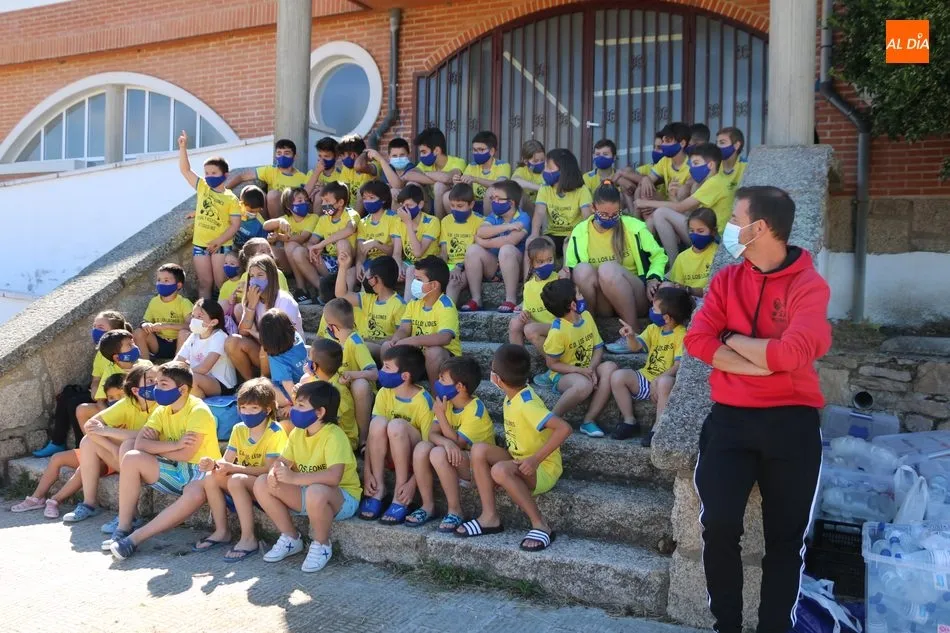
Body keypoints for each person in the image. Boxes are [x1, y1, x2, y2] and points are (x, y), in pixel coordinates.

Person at [686, 186, 832, 633]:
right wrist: (759, 363)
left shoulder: (810, 285)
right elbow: (696, 341)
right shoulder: (727, 280)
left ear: (760, 227)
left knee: (786, 543)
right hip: (729, 423)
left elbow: (793, 355)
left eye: (736, 217)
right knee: (720, 527)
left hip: (792, 426)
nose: (729, 226)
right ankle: (726, 626)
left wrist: (730, 341)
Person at [455, 344, 571, 553]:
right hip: (518, 457)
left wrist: (535, 460)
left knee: (499, 471)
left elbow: (564, 428)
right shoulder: (512, 396)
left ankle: (540, 524)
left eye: (492, 370)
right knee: (479, 450)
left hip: (541, 469)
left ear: (497, 379)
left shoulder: (526, 404)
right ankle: (489, 517)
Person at [105, 361, 222, 557]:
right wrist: (175, 446)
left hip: (201, 472)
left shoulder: (198, 410)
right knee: (132, 457)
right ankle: (123, 527)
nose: (156, 389)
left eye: (163, 384)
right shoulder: (162, 409)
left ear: (182, 389)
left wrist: (159, 449)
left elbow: (188, 455)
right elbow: (141, 444)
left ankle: (133, 540)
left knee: (194, 494)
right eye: (156, 383)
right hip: (175, 467)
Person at [254, 380, 361, 572]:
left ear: (319, 412)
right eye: (295, 404)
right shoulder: (298, 433)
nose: (294, 410)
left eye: (301, 406)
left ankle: (322, 544)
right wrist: (274, 471)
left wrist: (294, 479)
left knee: (317, 490)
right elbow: (283, 461)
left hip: (342, 498)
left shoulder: (334, 435)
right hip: (308, 493)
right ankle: (291, 538)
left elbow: (334, 478)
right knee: (262, 483)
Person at [564, 181, 667, 352]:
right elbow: (571, 268)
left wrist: (653, 278)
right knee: (582, 270)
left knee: (607, 268)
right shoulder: (580, 231)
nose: (610, 219)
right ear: (593, 208)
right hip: (601, 302)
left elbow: (659, 256)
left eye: (615, 214)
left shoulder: (634, 227)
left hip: (635, 296)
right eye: (604, 214)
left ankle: (634, 335)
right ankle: (587, 333)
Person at [195, 378, 287, 561]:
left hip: (266, 486)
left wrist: (234, 468)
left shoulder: (275, 432)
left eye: (253, 408)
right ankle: (221, 531)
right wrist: (212, 464)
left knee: (236, 479)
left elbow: (268, 471)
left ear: (267, 409)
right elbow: (226, 461)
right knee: (211, 476)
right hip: (245, 481)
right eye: (243, 408)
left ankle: (249, 538)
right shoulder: (239, 429)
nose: (247, 413)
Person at [13, 373, 126, 519]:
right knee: (57, 458)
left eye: (120, 396)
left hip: (111, 459)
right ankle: (37, 498)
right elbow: (88, 422)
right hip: (94, 451)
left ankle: (55, 500)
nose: (115, 401)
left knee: (83, 469)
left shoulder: (130, 413)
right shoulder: (105, 413)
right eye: (111, 398)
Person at [407, 356, 495, 531]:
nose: (438, 383)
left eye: (442, 379)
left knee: (437, 452)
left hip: (475, 469)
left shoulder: (476, 411)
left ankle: (455, 510)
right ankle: (427, 505)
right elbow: (432, 433)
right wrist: (446, 443)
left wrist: (441, 418)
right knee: (423, 448)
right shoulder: (447, 402)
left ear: (460, 387)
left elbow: (458, 443)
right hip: (453, 457)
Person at [63, 366, 156, 526]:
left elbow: (146, 435)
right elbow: (91, 425)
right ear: (135, 390)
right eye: (150, 381)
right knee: (88, 441)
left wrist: (107, 431)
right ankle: (89, 503)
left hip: (153, 464)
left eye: (158, 380)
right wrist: (112, 449)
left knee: (127, 444)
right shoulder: (128, 403)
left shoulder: (163, 405)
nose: (156, 384)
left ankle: (130, 516)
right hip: (127, 459)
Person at [34, 309, 133, 458]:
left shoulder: (126, 353)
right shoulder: (101, 353)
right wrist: (94, 388)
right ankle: (57, 442)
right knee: (67, 393)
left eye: (101, 328)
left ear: (115, 331)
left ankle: (81, 446)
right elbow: (96, 379)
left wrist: (98, 393)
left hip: (112, 396)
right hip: (99, 390)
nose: (95, 331)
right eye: (94, 326)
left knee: (76, 404)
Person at [608, 286, 693, 446]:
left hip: (664, 385)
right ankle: (629, 421)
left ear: (667, 318)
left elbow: (678, 365)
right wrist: (631, 336)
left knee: (665, 382)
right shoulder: (653, 329)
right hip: (646, 378)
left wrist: (659, 379)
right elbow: (635, 347)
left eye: (654, 308)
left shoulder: (681, 334)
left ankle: (657, 428)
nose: (650, 310)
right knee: (618, 376)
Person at [358, 345, 433, 524]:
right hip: (388, 455)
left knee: (397, 426)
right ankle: (378, 488)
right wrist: (367, 472)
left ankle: (400, 492)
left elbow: (428, 446)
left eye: (387, 367)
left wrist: (411, 483)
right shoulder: (384, 393)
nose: (381, 371)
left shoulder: (423, 401)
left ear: (405, 376)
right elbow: (372, 437)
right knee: (377, 422)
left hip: (413, 459)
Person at [535, 279, 614, 438]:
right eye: (579, 293)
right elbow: (552, 364)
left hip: (587, 367)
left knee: (610, 367)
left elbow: (598, 347)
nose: (582, 295)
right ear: (572, 305)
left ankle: (588, 420)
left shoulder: (586, 316)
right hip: (564, 375)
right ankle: (552, 420)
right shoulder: (557, 332)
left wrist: (591, 369)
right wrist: (580, 371)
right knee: (584, 385)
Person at [638, 143, 735, 264]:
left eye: (696, 163)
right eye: (691, 164)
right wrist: (672, 196)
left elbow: (680, 208)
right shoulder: (710, 182)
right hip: (703, 231)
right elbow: (688, 211)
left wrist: (645, 203)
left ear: (710, 165)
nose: (692, 168)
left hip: (713, 238)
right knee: (662, 215)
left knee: (660, 213)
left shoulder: (714, 183)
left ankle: (673, 264)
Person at [178, 130, 241, 299]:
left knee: (222, 284)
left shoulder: (231, 199)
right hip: (200, 244)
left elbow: (235, 225)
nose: (209, 176)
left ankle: (225, 318)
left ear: (225, 175)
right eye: (207, 173)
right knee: (205, 284)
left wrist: (218, 241)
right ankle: (202, 319)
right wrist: (183, 147)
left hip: (221, 245)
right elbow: (185, 170)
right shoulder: (203, 187)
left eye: (214, 173)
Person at [225, 254, 302, 381]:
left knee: (266, 346)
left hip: (288, 354)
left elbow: (281, 340)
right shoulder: (252, 299)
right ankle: (250, 383)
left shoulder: (285, 301)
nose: (255, 280)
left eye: (260, 275)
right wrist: (251, 306)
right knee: (232, 341)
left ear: (271, 277)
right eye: (252, 276)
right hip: (264, 350)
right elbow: (243, 331)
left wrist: (255, 333)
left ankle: (263, 386)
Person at [386, 255, 461, 386]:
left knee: (434, 352)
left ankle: (435, 395)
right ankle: (394, 394)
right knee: (387, 347)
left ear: (434, 285)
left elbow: (445, 337)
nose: (414, 283)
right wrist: (397, 339)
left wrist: (412, 340)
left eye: (419, 279)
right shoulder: (414, 303)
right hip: (419, 356)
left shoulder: (445, 305)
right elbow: (404, 328)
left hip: (443, 359)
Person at [459, 179, 530, 313]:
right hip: (494, 267)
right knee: (473, 250)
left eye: (498, 198)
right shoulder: (495, 216)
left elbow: (510, 241)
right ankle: (476, 299)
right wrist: (507, 226)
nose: (494, 202)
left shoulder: (523, 217)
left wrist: (483, 241)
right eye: (493, 198)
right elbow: (481, 231)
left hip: (515, 267)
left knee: (506, 249)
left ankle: (511, 299)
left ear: (511, 202)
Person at [323, 252, 405, 362]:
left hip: (382, 349)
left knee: (354, 345)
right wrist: (343, 267)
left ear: (377, 279)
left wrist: (375, 342)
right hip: (364, 344)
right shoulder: (368, 298)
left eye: (369, 277)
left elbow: (401, 334)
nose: (366, 280)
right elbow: (341, 294)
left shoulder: (399, 304)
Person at [289, 181, 359, 303]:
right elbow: (311, 242)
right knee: (299, 252)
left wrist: (322, 244)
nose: (323, 204)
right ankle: (324, 290)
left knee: (342, 243)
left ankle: (342, 290)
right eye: (322, 201)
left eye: (327, 201)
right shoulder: (323, 220)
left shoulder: (351, 214)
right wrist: (313, 248)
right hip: (329, 263)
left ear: (340, 203)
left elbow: (350, 229)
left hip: (348, 264)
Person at [322, 298, 378, 445]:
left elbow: (374, 373)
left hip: (359, 395)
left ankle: (363, 439)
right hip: (341, 391)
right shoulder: (332, 341)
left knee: (360, 385)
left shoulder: (355, 342)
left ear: (332, 326)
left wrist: (353, 375)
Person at [76, 329, 151, 431]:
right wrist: (111, 418)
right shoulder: (110, 371)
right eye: (129, 345)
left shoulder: (146, 365)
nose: (135, 347)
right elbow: (100, 400)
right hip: (116, 411)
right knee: (82, 410)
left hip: (140, 410)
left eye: (133, 343)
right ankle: (95, 443)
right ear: (116, 357)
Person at [530, 148, 593, 261]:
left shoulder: (582, 190)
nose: (545, 171)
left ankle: (566, 274)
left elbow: (587, 218)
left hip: (574, 234)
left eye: (549, 168)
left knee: (569, 244)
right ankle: (528, 278)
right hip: (552, 235)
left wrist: (577, 236)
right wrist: (534, 235)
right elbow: (539, 213)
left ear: (563, 171)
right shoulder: (545, 188)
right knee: (537, 246)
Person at [225, 139, 310, 220]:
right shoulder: (270, 170)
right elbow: (242, 176)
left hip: (291, 214)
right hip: (270, 212)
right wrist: (224, 191)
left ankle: (279, 227)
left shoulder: (302, 177)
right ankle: (268, 226)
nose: (282, 156)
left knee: (273, 194)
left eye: (287, 153)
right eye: (279, 153)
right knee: (254, 190)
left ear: (294, 156)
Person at [174, 298, 237, 398]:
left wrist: (178, 374)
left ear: (213, 322)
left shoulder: (219, 336)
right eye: (193, 316)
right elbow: (178, 360)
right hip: (201, 378)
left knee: (190, 379)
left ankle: (199, 408)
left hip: (223, 384)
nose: (194, 320)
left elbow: (204, 368)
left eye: (199, 316)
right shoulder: (194, 336)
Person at [302, 339, 359, 451]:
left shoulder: (337, 392)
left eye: (309, 359)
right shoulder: (316, 379)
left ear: (314, 366)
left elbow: (328, 421)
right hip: (326, 432)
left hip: (344, 440)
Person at [133, 263, 193, 361]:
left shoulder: (184, 303)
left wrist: (167, 325)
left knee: (184, 333)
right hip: (159, 343)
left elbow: (191, 326)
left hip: (180, 343)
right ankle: (145, 366)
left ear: (178, 285)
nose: (161, 283)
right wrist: (145, 325)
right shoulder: (154, 301)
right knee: (139, 332)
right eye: (159, 280)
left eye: (166, 280)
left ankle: (177, 365)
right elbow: (144, 321)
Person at [390, 183, 441, 301]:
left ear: (420, 204)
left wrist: (408, 223)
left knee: (411, 270)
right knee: (384, 268)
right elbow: (397, 253)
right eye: (402, 205)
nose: (405, 210)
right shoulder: (398, 222)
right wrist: (398, 266)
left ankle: (407, 308)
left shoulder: (432, 222)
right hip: (410, 262)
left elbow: (418, 253)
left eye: (409, 205)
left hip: (430, 263)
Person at [262, 187, 317, 292]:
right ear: (288, 206)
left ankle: (301, 287)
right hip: (288, 261)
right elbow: (265, 226)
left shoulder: (313, 217)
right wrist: (279, 221)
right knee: (266, 250)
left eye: (306, 200)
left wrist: (279, 237)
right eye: (300, 201)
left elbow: (302, 238)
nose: (304, 203)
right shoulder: (285, 219)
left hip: (306, 258)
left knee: (289, 244)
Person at [508, 237, 558, 348]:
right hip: (537, 326)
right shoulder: (528, 286)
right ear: (532, 263)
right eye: (540, 262)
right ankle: (519, 360)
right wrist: (524, 315)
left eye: (550, 260)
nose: (546, 264)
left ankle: (554, 364)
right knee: (514, 324)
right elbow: (527, 311)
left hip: (558, 326)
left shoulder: (559, 279)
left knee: (530, 329)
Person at [406, 127, 466, 219]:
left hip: (449, 206)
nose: (421, 156)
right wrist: (435, 177)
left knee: (439, 186)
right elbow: (408, 175)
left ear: (437, 150)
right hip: (429, 204)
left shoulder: (458, 162)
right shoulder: (425, 164)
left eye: (424, 152)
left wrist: (424, 174)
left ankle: (439, 224)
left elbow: (447, 178)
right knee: (411, 184)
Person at [440, 183, 484, 303]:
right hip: (450, 266)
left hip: (468, 267)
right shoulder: (446, 221)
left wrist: (458, 267)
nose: (455, 209)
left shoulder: (480, 222)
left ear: (471, 204)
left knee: (453, 284)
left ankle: (447, 316)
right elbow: (444, 251)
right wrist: (443, 269)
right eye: (452, 205)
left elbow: (476, 252)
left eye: (460, 206)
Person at [450, 130, 511, 215]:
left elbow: (500, 185)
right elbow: (463, 189)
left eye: (481, 150)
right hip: (474, 203)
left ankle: (488, 224)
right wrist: (457, 182)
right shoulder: (471, 166)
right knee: (447, 196)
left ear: (492, 151)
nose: (476, 153)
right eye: (475, 150)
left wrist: (475, 179)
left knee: (490, 191)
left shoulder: (503, 165)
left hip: (495, 204)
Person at [635, 122, 692, 209]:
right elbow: (650, 178)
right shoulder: (665, 160)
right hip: (666, 201)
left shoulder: (692, 166)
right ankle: (638, 220)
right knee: (642, 188)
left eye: (668, 141)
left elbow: (683, 199)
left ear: (682, 143)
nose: (663, 145)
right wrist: (646, 178)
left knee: (682, 191)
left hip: (682, 207)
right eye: (663, 141)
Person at [259, 308, 308, 407]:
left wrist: (295, 407)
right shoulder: (296, 337)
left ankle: (287, 407)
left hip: (293, 393)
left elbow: (288, 385)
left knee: (263, 385)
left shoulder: (277, 358)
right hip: (307, 384)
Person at [668, 207, 719, 298]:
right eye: (691, 231)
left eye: (700, 231)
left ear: (713, 232)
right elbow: (678, 287)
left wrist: (690, 290)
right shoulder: (682, 258)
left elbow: (718, 290)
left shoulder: (719, 254)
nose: (695, 235)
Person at [354, 180, 397, 277]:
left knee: (370, 273)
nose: (367, 201)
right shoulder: (362, 222)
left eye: (371, 198)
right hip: (369, 262)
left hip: (387, 262)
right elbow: (361, 251)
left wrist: (376, 244)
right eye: (364, 198)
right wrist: (359, 263)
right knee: (349, 274)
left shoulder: (394, 218)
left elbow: (394, 252)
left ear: (383, 199)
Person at [334, 134, 373, 216]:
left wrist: (364, 153)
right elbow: (344, 192)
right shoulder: (347, 168)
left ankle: (353, 222)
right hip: (351, 209)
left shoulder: (372, 164)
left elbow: (358, 166)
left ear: (353, 155)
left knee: (361, 192)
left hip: (369, 210)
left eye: (343, 156)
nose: (342, 160)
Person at [510, 139, 546, 217]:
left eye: (542, 160)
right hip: (529, 209)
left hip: (543, 210)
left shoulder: (548, 171)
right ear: (526, 161)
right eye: (536, 161)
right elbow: (514, 181)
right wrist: (539, 188)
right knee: (519, 195)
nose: (540, 163)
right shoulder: (522, 171)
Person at [233, 185, 268, 250]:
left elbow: (262, 243)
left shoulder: (260, 225)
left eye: (255, 212)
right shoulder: (234, 212)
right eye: (250, 211)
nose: (251, 214)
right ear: (241, 204)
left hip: (247, 251)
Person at [716, 126, 747, 191]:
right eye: (717, 143)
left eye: (722, 143)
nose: (717, 146)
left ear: (736, 145)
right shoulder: (713, 165)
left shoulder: (746, 167)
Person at [217, 250, 243, 316]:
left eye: (232, 264)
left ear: (240, 267)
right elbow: (221, 305)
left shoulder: (244, 280)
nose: (227, 266)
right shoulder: (225, 285)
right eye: (225, 263)